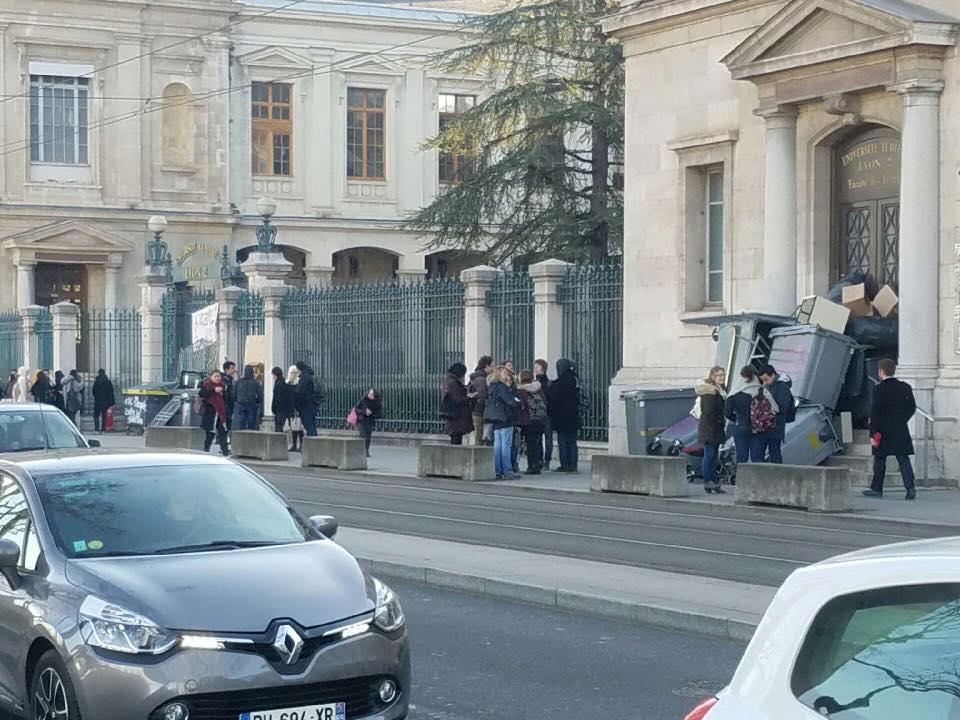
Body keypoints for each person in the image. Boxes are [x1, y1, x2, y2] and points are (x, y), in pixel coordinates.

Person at [863, 359, 917, 500]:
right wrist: (902, 419)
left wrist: (872, 432)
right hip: (900, 429)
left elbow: (875, 412)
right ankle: (910, 488)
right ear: (894, 370)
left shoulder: (878, 389)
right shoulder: (905, 387)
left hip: (883, 430)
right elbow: (912, 407)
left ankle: (877, 488)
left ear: (881, 372)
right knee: (903, 459)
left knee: (880, 459)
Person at [484, 366, 522, 480]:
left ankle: (498, 470)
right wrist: (517, 402)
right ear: (499, 374)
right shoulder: (502, 387)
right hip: (505, 419)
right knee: (506, 445)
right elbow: (510, 401)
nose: (507, 376)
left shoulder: (491, 387)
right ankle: (507, 471)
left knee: (498, 445)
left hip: (496, 419)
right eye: (505, 373)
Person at [754, 365, 795, 463]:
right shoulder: (769, 386)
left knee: (774, 451)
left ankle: (776, 474)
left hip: (776, 424)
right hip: (769, 423)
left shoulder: (781, 387)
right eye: (763, 380)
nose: (765, 382)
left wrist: (769, 411)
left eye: (766, 379)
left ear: (773, 375)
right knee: (770, 450)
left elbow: (783, 407)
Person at [724, 366, 764, 464]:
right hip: (759, 428)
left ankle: (741, 478)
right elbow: (774, 408)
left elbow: (727, 412)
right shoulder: (761, 390)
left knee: (742, 457)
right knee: (757, 457)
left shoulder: (735, 392)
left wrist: (737, 419)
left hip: (741, 426)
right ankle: (757, 478)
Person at [697, 366, 728, 493]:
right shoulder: (711, 392)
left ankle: (713, 481)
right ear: (712, 377)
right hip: (711, 429)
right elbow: (709, 412)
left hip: (712, 428)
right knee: (709, 455)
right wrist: (718, 422)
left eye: (723, 374)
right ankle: (709, 481)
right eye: (718, 375)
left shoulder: (718, 390)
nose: (722, 377)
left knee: (713, 455)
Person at [550, 358, 581, 473]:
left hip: (562, 417)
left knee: (563, 441)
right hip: (573, 416)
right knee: (572, 441)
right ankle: (573, 464)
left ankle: (565, 464)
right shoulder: (575, 379)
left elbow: (555, 400)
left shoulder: (560, 382)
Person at [517, 370, 548, 475]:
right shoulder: (538, 388)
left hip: (528, 420)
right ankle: (538, 464)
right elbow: (545, 401)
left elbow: (521, 406)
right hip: (539, 420)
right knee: (537, 443)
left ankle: (531, 466)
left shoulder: (521, 390)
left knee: (530, 444)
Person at [442, 363, 475, 445]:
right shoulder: (453, 382)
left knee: (455, 437)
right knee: (456, 439)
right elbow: (458, 399)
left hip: (453, 413)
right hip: (457, 414)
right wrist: (470, 398)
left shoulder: (448, 381)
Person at [199, 369, 230, 456]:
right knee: (210, 435)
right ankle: (206, 451)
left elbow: (226, 399)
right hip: (211, 414)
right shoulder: (207, 384)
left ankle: (225, 452)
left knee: (223, 433)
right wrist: (214, 390)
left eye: (219, 376)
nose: (217, 378)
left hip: (221, 414)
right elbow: (201, 394)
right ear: (211, 377)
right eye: (215, 376)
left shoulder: (223, 386)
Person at [469, 356, 493, 446]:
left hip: (477, 410)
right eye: (492, 366)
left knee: (479, 436)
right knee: (480, 437)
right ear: (486, 366)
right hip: (480, 411)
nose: (493, 368)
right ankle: (477, 458)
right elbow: (482, 396)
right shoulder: (481, 379)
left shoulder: (477, 377)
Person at [534, 359, 553, 469]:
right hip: (537, 414)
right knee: (538, 438)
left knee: (547, 438)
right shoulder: (533, 383)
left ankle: (547, 459)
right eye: (535, 367)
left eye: (538, 367)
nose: (535, 369)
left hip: (546, 413)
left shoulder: (548, 383)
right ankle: (540, 459)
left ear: (543, 369)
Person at [232, 364, 263, 431]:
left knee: (240, 424)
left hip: (240, 405)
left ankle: (241, 438)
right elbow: (260, 395)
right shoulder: (255, 383)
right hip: (252, 405)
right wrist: (257, 401)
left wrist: (236, 401)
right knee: (251, 424)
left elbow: (234, 394)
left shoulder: (239, 382)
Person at [294, 361, 319, 437]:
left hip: (305, 405)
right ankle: (315, 442)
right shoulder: (311, 375)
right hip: (312, 404)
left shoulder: (304, 377)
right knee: (312, 425)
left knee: (308, 425)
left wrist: (297, 404)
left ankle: (312, 444)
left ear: (299, 368)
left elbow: (301, 392)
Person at [354, 389, 382, 456]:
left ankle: (366, 450)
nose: (370, 395)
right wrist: (364, 412)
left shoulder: (377, 404)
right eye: (369, 393)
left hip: (370, 421)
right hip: (361, 420)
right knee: (363, 435)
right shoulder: (363, 400)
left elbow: (379, 415)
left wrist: (371, 414)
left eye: (372, 394)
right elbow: (356, 409)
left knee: (368, 436)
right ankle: (362, 451)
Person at [270, 366, 293, 433]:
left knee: (278, 427)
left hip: (279, 408)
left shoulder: (278, 383)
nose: (273, 376)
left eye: (273, 374)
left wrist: (274, 406)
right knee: (280, 425)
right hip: (284, 408)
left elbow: (277, 397)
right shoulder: (284, 382)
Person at [286, 365, 304, 451]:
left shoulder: (299, 382)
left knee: (299, 427)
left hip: (298, 407)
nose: (293, 374)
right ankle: (293, 444)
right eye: (292, 373)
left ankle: (300, 445)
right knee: (293, 427)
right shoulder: (287, 383)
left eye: (295, 372)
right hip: (290, 407)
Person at [92, 369, 116, 433]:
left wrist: (97, 397)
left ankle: (96, 429)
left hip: (98, 401)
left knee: (96, 415)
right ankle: (103, 429)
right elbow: (111, 393)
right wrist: (112, 402)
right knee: (104, 415)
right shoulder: (108, 382)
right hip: (106, 402)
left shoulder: (96, 382)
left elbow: (93, 391)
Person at [222, 361, 238, 431]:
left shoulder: (231, 380)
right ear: (226, 369)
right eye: (232, 368)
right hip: (225, 405)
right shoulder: (223, 380)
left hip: (230, 405)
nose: (234, 370)